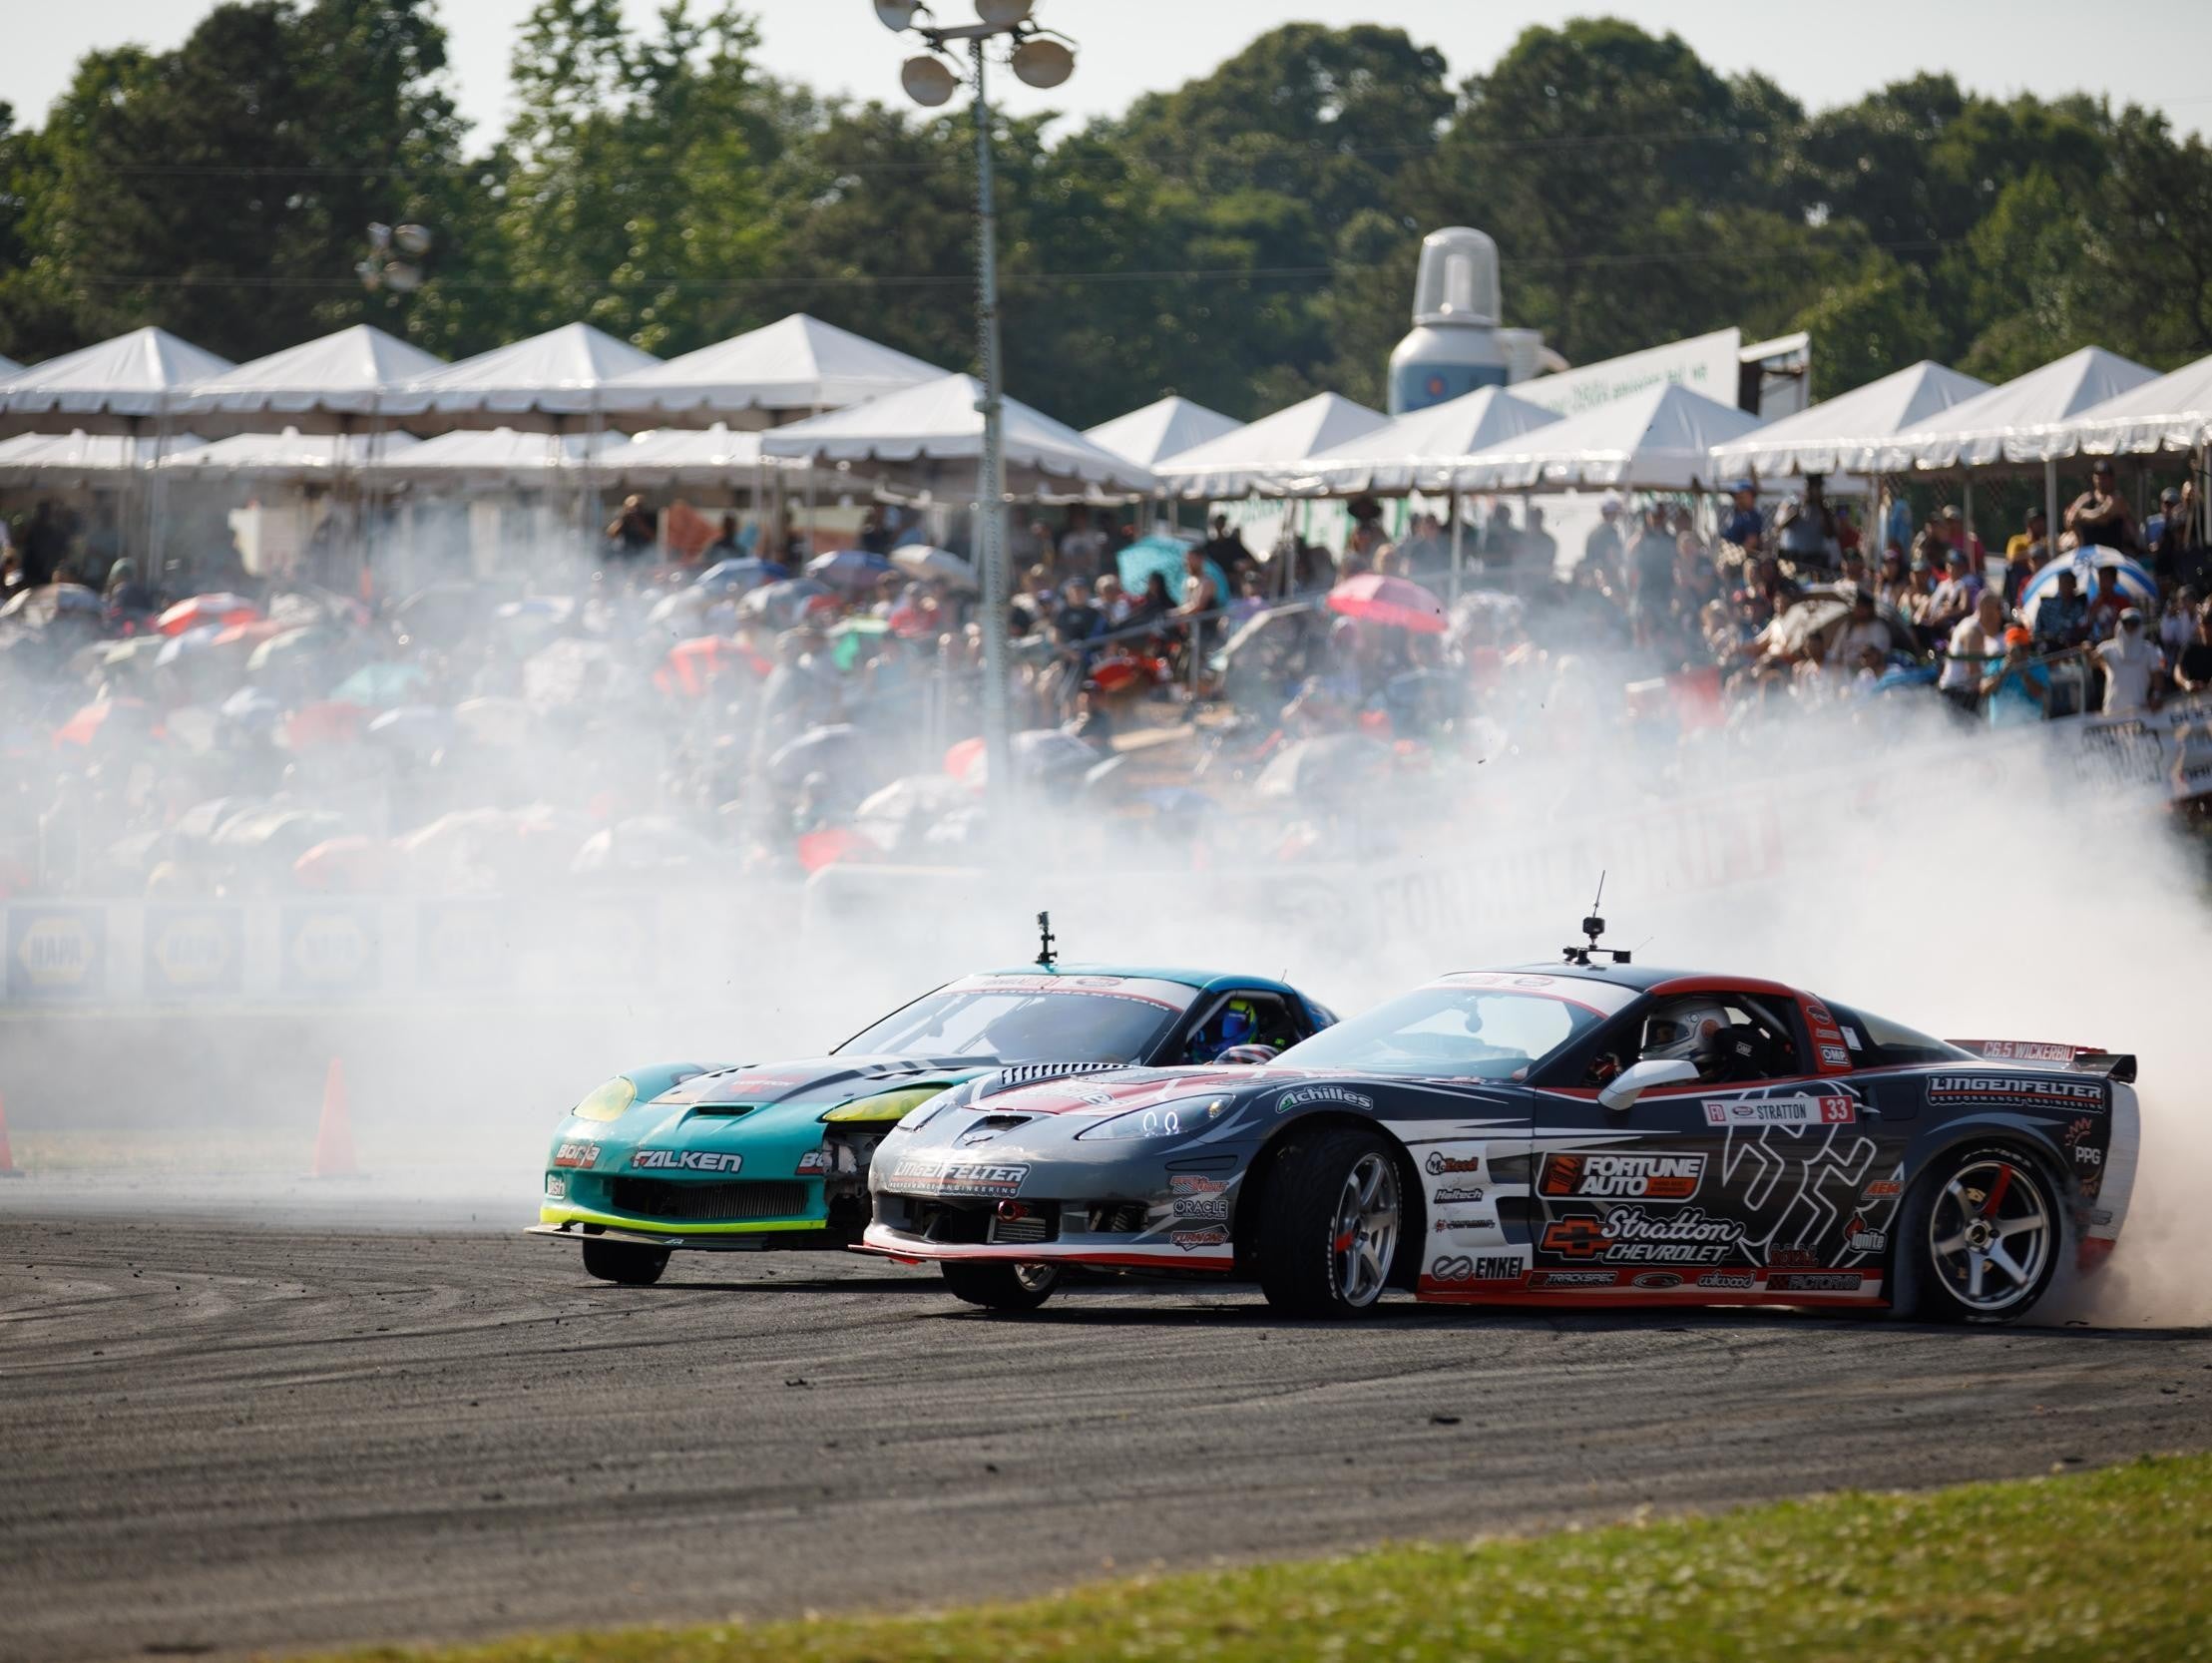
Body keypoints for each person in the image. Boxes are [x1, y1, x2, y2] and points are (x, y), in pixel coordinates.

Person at [1940, 591, 2008, 713]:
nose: (2001, 614)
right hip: (1958, 694)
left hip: (1959, 692)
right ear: (1987, 609)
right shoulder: (1973, 631)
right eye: (1999, 608)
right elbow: (1974, 674)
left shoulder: (1974, 627)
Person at [2093, 608, 2163, 715]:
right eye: (2126, 623)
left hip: (2138, 713)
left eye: (2134, 623)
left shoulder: (2149, 650)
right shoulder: (2107, 648)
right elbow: (2092, 662)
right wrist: (2087, 651)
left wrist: (2157, 696)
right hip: (2111, 713)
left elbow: (2157, 676)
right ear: (2121, 624)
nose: (2130, 627)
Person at [1983, 626, 2052, 726]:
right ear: (2007, 649)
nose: (2018, 653)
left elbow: (2038, 693)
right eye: (2014, 649)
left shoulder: (2038, 666)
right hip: (2001, 729)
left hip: (2030, 727)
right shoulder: (1996, 665)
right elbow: (1984, 691)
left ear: (2028, 648)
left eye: (2022, 648)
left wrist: (2022, 671)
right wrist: (2003, 672)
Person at [2065, 459, 2136, 553]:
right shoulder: (2086, 498)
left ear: (2112, 479)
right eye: (2097, 477)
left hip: (2113, 554)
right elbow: (2070, 520)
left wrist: (2082, 513)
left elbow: (2103, 517)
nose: (2100, 481)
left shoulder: (2117, 498)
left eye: (2104, 478)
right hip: (2089, 553)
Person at [2034, 567, 2089, 649]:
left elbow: (2083, 628)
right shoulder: (2047, 605)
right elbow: (2038, 632)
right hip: (2050, 648)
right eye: (2062, 582)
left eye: (2068, 582)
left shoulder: (2080, 606)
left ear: (2074, 584)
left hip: (2073, 647)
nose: (2065, 586)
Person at [2002, 508, 2048, 603]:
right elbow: (2011, 559)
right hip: (2024, 578)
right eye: (2036, 521)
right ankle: (2015, 603)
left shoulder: (2050, 541)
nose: (2040, 524)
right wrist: (2035, 551)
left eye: (2042, 521)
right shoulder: (2017, 540)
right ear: (2029, 524)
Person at [2173, 606, 2212, 695]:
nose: (2206, 630)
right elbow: (2178, 671)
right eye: (2204, 625)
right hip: (2198, 704)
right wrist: (2186, 684)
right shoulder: (2190, 647)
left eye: (2209, 626)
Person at [605, 496, 656, 563]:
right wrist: (622, 520)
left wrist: (639, 522)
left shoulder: (648, 518)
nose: (634, 511)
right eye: (631, 509)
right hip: (627, 556)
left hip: (645, 555)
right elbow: (611, 534)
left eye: (638, 507)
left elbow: (652, 537)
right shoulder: (625, 519)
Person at [1720, 481, 1763, 549]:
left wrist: (1739, 554)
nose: (1738, 500)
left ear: (1751, 497)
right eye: (1736, 497)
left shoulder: (1751, 516)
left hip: (1739, 555)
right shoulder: (1735, 514)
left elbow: (1752, 540)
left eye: (1741, 496)